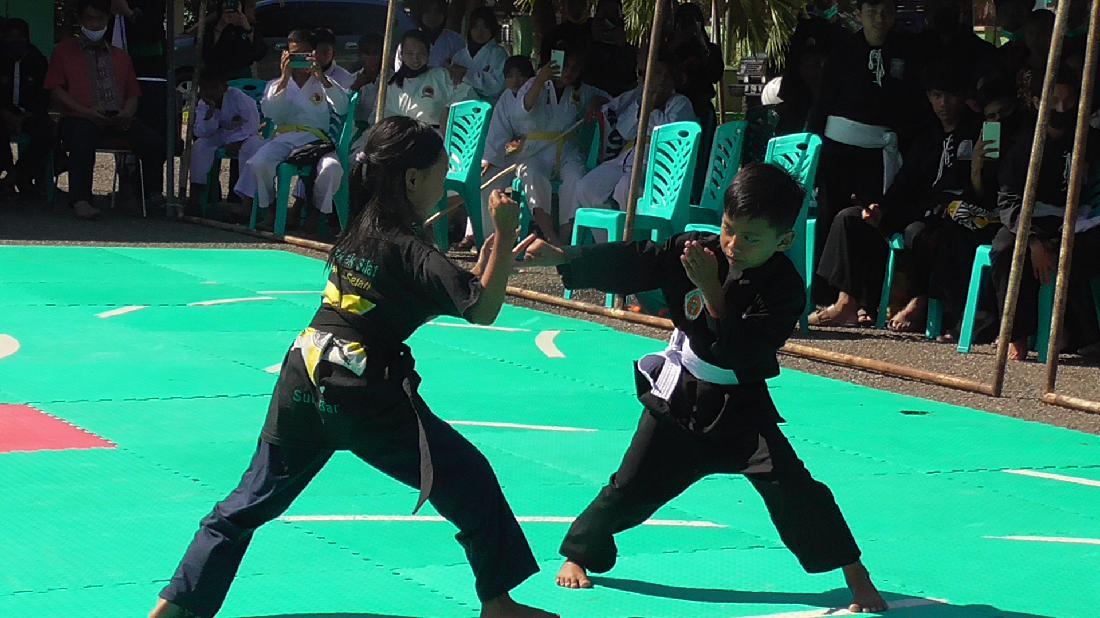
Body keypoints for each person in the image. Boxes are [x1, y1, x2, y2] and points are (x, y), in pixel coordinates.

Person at [149, 116, 556, 618]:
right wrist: (505, 232)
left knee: (247, 502)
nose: (444, 181)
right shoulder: (412, 250)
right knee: (468, 477)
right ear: (412, 180)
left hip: (305, 371)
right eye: (440, 170)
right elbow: (483, 308)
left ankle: (171, 608)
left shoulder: (361, 229)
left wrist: (485, 263)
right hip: (361, 389)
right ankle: (498, 603)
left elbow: (436, 285)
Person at [518, 163, 887, 614]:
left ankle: (855, 574)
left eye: (751, 238)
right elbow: (640, 258)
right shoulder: (696, 251)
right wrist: (568, 257)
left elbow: (742, 353)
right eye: (729, 229)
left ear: (783, 241)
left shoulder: (785, 289)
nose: (734, 245)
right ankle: (579, 553)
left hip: (741, 408)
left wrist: (712, 290)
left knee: (795, 488)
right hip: (680, 398)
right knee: (629, 485)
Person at [811, 62, 983, 330]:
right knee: (850, 219)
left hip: (948, 215)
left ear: (963, 97)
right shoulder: (925, 137)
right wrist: (880, 208)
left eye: (950, 96)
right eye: (936, 95)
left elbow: (983, 187)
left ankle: (921, 301)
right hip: (909, 211)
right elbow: (905, 182)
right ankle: (848, 302)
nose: (943, 103)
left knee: (920, 233)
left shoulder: (979, 133)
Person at [808, 0, 926, 302]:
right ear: (860, 13)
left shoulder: (907, 51)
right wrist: (812, 146)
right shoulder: (842, 50)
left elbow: (912, 105)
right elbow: (823, 101)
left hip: (879, 154)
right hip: (837, 151)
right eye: (872, 10)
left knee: (869, 220)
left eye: (886, 10)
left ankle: (865, 297)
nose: (879, 17)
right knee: (830, 214)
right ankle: (826, 294)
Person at [991, 66, 1100, 360]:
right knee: (1005, 249)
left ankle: (1082, 333)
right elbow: (1009, 201)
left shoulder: (1089, 139)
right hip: (1030, 218)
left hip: (1078, 219)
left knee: (1083, 251)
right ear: (1038, 102)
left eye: (1068, 101)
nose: (1062, 109)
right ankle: (1016, 334)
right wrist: (1034, 240)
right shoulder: (1022, 144)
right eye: (1054, 101)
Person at [44, 0, 165, 220]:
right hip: (79, 117)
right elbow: (55, 90)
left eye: (99, 19)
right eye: (89, 19)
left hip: (116, 119)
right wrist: (86, 111)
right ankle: (81, 199)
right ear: (80, 21)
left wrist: (126, 113)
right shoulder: (63, 52)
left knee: (153, 140)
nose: (94, 25)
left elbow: (133, 94)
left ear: (107, 21)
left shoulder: (121, 56)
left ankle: (146, 194)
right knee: (83, 136)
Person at [566, 55, 694, 240]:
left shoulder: (680, 103)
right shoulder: (642, 98)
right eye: (658, 73)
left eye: (668, 75)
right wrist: (644, 105)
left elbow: (669, 134)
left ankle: (632, 244)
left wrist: (654, 109)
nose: (663, 79)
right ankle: (607, 244)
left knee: (625, 188)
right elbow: (624, 131)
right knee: (587, 186)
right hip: (627, 157)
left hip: (655, 163)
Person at [234, 29, 349, 231]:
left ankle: (316, 213)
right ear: (286, 55)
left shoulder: (325, 83)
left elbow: (342, 107)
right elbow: (271, 113)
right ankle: (270, 209)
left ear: (314, 55)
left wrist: (321, 77)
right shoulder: (276, 84)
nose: (300, 60)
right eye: (295, 55)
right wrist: (285, 78)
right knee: (259, 162)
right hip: (284, 138)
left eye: (305, 54)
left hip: (317, 141)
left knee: (331, 168)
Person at [515, 48, 608, 245]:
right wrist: (541, 80)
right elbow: (523, 109)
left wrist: (595, 102)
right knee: (532, 174)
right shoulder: (535, 83)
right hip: (536, 149)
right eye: (565, 66)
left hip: (566, 150)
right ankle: (551, 236)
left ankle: (565, 239)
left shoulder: (581, 90)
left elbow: (609, 99)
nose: (569, 72)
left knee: (576, 177)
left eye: (575, 68)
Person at [458, 55, 538, 248]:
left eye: (521, 76)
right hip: (516, 153)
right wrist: (490, 160)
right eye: (510, 76)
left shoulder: (539, 93)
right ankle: (484, 236)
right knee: (484, 179)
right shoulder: (506, 98)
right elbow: (498, 132)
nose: (516, 81)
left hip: (539, 151)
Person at [186, 69, 263, 216]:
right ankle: (197, 195)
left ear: (224, 87)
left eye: (214, 88)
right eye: (206, 89)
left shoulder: (238, 97)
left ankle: (247, 203)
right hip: (219, 134)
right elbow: (201, 132)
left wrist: (238, 141)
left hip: (243, 134)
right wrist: (211, 114)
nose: (210, 92)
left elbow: (252, 123)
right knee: (200, 146)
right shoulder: (204, 103)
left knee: (252, 147)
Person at [0, 18, 53, 198]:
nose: (15, 42)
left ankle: (20, 174)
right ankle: (7, 169)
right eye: (10, 38)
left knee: (48, 131)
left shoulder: (37, 60)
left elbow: (44, 94)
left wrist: (26, 116)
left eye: (20, 37)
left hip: (29, 113)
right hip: (2, 113)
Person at [385, 30, 459, 130]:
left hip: (435, 137)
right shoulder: (391, 84)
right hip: (401, 138)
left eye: (421, 53)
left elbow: (465, 94)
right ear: (401, 54)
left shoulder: (441, 76)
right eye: (410, 53)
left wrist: (449, 109)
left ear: (428, 54)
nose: (415, 58)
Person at [448, 7, 508, 101]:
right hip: (461, 108)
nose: (480, 31)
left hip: (490, 108)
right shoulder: (459, 56)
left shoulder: (498, 54)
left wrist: (466, 73)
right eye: (476, 26)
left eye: (485, 27)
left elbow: (496, 86)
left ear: (492, 29)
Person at [583, 0, 637, 98]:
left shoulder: (627, 35)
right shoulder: (586, 31)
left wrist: (623, 45)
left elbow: (631, 76)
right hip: (589, 91)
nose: (607, 20)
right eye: (604, 14)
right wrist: (593, 36)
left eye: (613, 15)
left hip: (618, 95)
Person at [203, 0, 266, 81]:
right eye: (228, 12)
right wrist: (219, 29)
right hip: (219, 75)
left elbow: (259, 53)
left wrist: (247, 29)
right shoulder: (213, 27)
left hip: (242, 75)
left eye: (235, 12)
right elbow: (206, 54)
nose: (231, 16)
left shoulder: (248, 26)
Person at [396, 0, 464, 71]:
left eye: (437, 11)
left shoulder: (455, 40)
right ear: (420, 14)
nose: (433, 16)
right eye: (427, 12)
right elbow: (400, 72)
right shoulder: (409, 41)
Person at [349, 32, 384, 151]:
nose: (371, 58)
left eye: (375, 53)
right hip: (356, 134)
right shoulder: (352, 79)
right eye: (367, 53)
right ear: (360, 55)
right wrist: (356, 86)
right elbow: (343, 108)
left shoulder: (393, 80)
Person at [540, 0, 591, 66]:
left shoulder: (596, 32)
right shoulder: (554, 36)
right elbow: (553, 72)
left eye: (580, 2)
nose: (576, 6)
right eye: (572, 3)